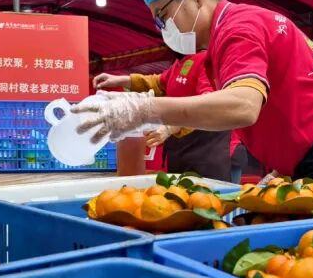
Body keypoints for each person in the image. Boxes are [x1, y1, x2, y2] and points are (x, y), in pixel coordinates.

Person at [73, 0, 313, 192]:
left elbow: (243, 106)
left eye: (164, 15)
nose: (164, 28)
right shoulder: (225, 37)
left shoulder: (237, 29)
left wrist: (143, 110)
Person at [93, 51, 232, 181]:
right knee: (178, 195)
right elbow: (158, 82)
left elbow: (209, 106)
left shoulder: (205, 60)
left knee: (204, 196)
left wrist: (171, 128)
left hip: (206, 154)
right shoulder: (181, 62)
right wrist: (122, 80)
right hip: (179, 152)